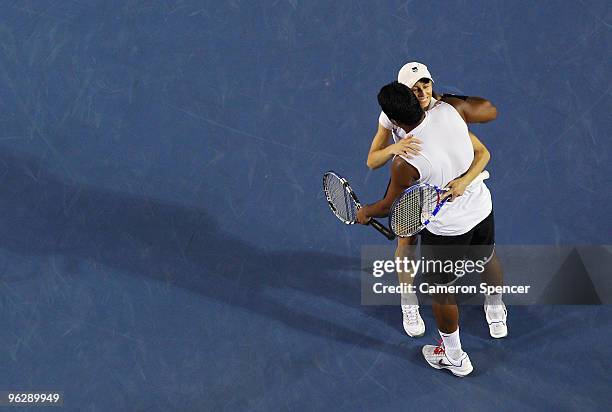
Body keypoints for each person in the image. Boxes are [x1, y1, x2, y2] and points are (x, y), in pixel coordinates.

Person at [356, 81, 506, 376]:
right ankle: (497, 306)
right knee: (487, 257)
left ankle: (454, 356)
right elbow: (484, 130)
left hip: (448, 228)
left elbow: (390, 207)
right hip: (480, 207)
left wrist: (364, 212)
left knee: (440, 290)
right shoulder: (450, 110)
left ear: (396, 121)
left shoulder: (404, 163)